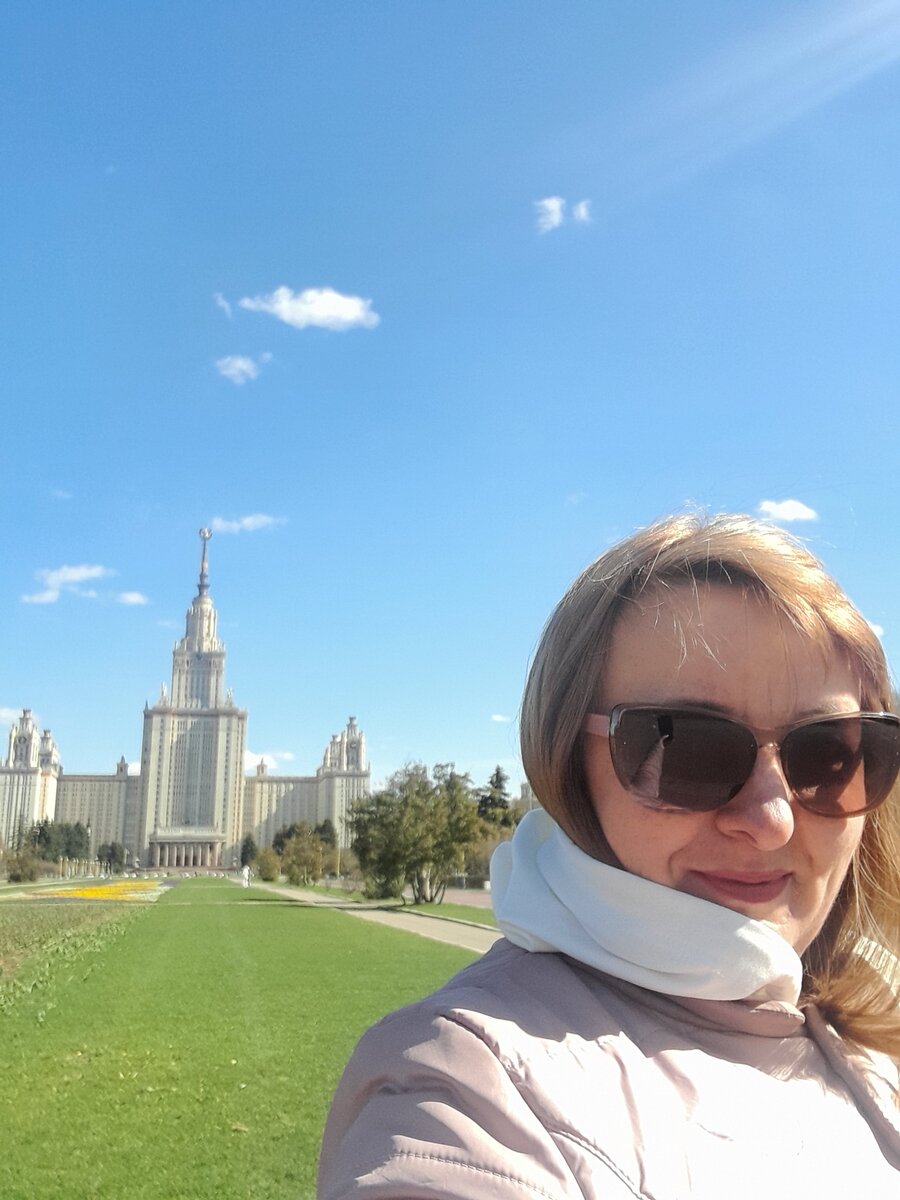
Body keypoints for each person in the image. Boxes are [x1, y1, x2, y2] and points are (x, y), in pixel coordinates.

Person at [318, 513, 900, 1198]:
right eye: (686, 749)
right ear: (568, 765)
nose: (771, 821)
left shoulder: (862, 1013)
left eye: (828, 755)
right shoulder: (469, 1087)